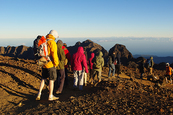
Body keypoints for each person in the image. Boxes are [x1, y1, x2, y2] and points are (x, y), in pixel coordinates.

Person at [36, 30, 59, 101]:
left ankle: (39, 93)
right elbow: (54, 54)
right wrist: (56, 63)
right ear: (54, 36)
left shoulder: (45, 41)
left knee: (43, 79)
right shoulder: (52, 42)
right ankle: (50, 96)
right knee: (51, 80)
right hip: (50, 64)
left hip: (44, 63)